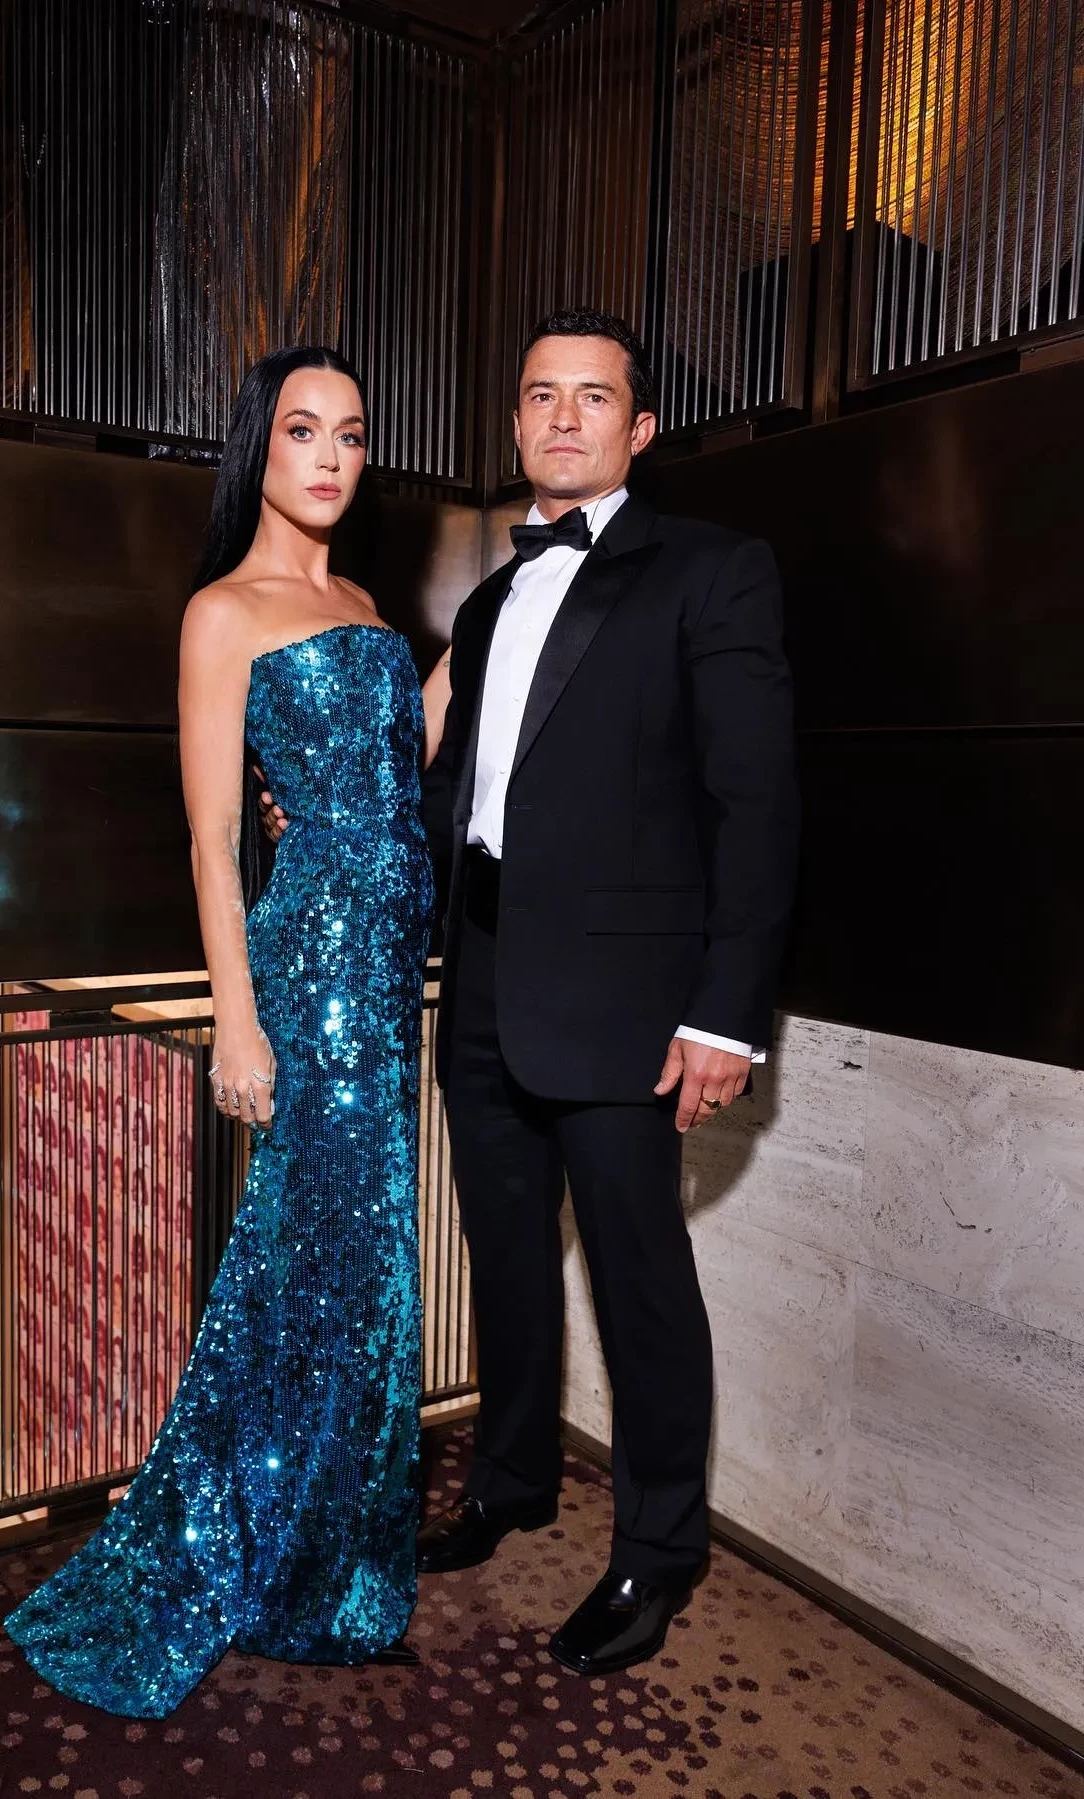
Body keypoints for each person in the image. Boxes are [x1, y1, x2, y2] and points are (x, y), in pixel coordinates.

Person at [261, 308, 798, 1678]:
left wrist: (726, 1014)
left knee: (640, 1279)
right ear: (514, 422)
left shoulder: (713, 571)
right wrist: (321, 814)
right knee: (504, 1255)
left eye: (592, 397)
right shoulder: (493, 601)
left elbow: (758, 803)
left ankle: (658, 1552)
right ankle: (510, 1480)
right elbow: (450, 789)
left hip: (630, 999)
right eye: (541, 395)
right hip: (487, 971)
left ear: (641, 427)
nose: (563, 417)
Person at [5, 347, 443, 1717]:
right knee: (306, 1271)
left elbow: (392, 768)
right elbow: (210, 837)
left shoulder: (364, 605)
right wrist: (235, 1022)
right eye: (304, 430)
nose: (331, 456)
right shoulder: (223, 613)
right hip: (306, 979)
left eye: (351, 434)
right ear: (260, 447)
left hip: (386, 980)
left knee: (363, 1277)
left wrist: (490, 640)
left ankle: (331, 1557)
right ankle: (260, 1554)